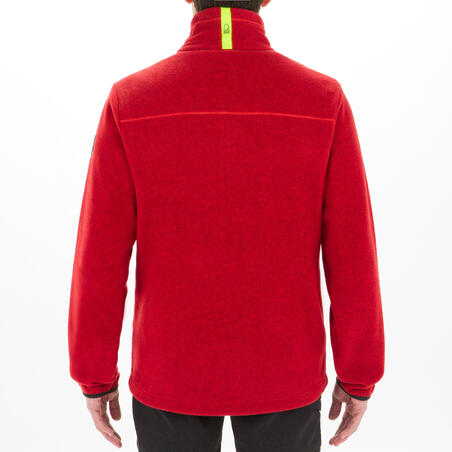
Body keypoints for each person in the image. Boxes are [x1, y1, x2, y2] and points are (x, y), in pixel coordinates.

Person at [68, 0, 385, 450]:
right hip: (284, 369)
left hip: (170, 369)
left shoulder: (132, 100)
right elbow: (353, 254)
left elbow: (99, 257)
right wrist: (358, 374)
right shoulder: (321, 100)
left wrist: (94, 373)